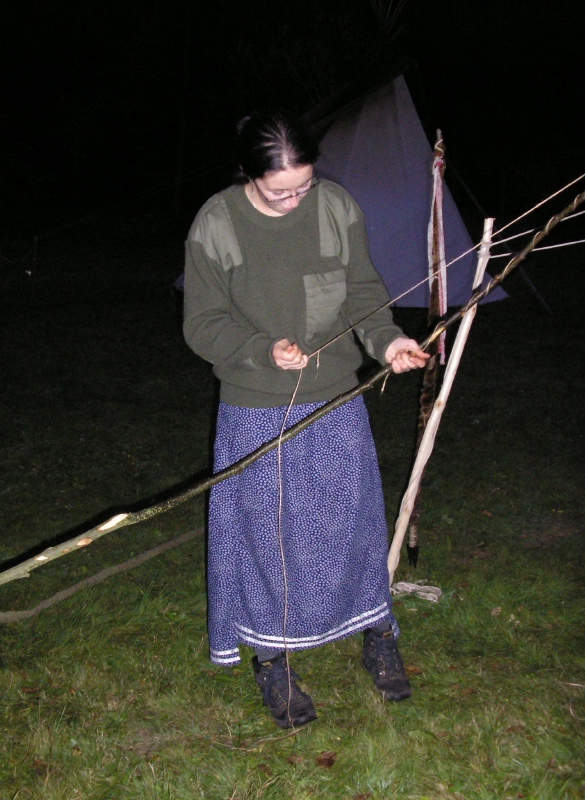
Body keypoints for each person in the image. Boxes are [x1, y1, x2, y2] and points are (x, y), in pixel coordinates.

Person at [183, 109, 428, 729]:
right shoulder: (217, 223)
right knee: (270, 539)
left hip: (335, 396)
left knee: (353, 523)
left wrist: (388, 341)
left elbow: (364, 292)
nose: (295, 199)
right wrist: (261, 348)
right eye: (279, 191)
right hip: (255, 404)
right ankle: (274, 661)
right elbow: (201, 322)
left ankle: (375, 631)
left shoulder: (335, 206)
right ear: (250, 176)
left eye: (304, 185)